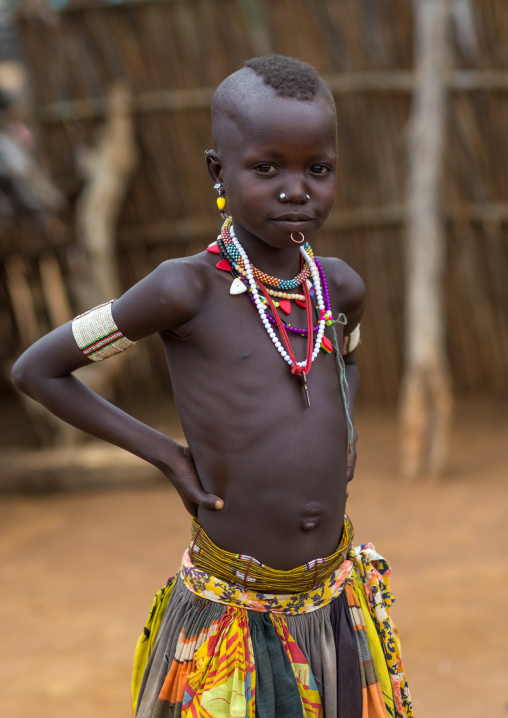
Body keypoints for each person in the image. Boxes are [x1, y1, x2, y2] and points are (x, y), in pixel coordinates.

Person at [11, 55, 412, 718]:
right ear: (216, 171)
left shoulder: (339, 288)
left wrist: (347, 419)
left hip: (337, 607)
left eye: (318, 168)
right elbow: (38, 368)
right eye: (267, 168)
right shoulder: (182, 289)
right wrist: (166, 454)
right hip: (232, 618)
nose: (296, 190)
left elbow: (344, 359)